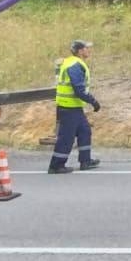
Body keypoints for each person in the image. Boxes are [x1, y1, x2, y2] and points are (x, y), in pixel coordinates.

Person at [49, 40, 102, 174]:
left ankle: (85, 161)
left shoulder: (73, 62)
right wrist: (93, 101)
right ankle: (56, 166)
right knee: (66, 137)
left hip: (74, 107)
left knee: (85, 131)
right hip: (68, 107)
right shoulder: (74, 65)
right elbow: (78, 88)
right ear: (80, 51)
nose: (89, 50)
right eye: (86, 48)